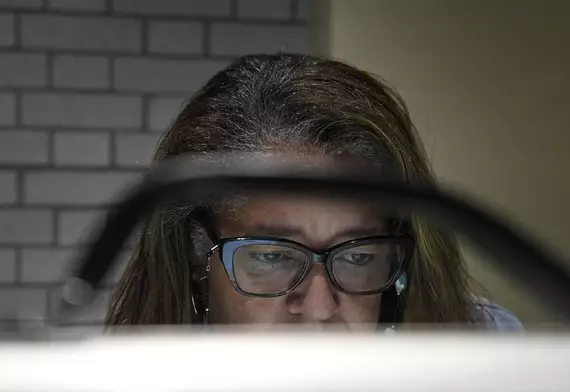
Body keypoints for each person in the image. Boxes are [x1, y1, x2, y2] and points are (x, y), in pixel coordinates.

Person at [105, 53, 522, 331]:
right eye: (272, 256)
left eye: (359, 257)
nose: (321, 309)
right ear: (197, 257)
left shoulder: (485, 351)